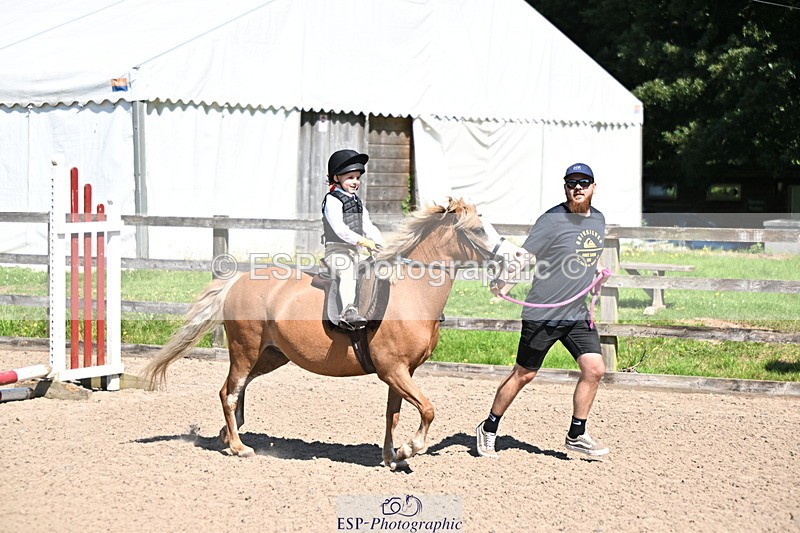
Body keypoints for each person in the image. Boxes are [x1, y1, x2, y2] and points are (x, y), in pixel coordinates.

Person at [476, 162, 609, 458]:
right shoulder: (551, 220)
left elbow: (591, 252)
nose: (578, 188)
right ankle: (488, 427)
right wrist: (504, 283)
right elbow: (524, 256)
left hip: (576, 312)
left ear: (593, 187)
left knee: (595, 369)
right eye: (572, 183)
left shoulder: (598, 219)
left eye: (583, 183)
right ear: (565, 188)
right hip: (544, 313)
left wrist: (598, 269)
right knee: (524, 374)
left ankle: (576, 434)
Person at [321, 149, 384, 330]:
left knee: (378, 267)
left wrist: (380, 245)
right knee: (348, 271)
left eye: (357, 177)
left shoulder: (357, 202)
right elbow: (341, 230)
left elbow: (368, 226)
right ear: (336, 178)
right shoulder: (332, 200)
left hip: (355, 252)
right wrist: (365, 242)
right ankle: (347, 311)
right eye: (350, 177)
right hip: (336, 251)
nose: (355, 182)